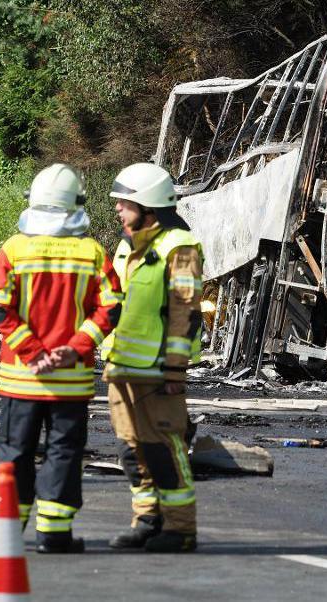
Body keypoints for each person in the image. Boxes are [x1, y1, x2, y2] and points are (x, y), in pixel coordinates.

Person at [0, 163, 121, 553]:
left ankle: (8, 529)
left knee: (14, 453)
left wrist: (33, 354)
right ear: (76, 205)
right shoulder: (92, 253)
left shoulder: (14, 248)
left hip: (21, 377)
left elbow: (0, 310)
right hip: (71, 379)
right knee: (63, 452)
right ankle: (54, 532)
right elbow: (111, 309)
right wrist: (76, 347)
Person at [103, 163, 204, 553]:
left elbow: (185, 310)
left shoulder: (179, 247)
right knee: (131, 448)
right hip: (123, 366)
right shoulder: (127, 246)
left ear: (148, 205)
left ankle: (179, 529)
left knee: (164, 448)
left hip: (159, 372)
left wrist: (176, 368)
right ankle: (146, 519)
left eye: (124, 203)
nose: (117, 210)